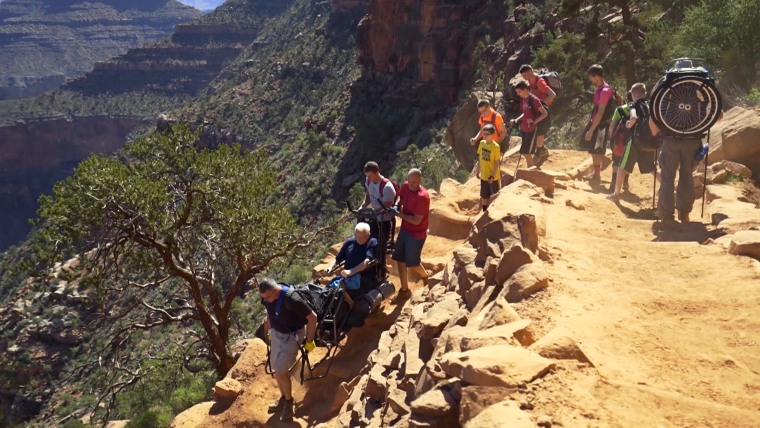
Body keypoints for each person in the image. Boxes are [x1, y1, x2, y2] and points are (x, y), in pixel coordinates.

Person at [259, 278, 318, 421]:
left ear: (276, 290)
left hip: (293, 336)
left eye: (267, 297)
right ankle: (283, 397)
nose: (265, 300)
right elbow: (268, 309)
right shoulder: (268, 298)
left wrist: (309, 342)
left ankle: (289, 402)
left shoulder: (292, 299)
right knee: (275, 368)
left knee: (280, 371)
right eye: (263, 298)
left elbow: (312, 318)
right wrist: (269, 326)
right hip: (277, 334)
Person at [610, 83, 658, 200]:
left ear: (634, 94)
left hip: (636, 141)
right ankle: (670, 189)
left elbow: (633, 118)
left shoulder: (634, 105)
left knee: (622, 166)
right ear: (645, 93)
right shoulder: (650, 105)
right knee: (652, 169)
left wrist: (628, 124)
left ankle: (616, 193)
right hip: (650, 141)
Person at [649, 118, 701, 224]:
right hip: (692, 140)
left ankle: (666, 215)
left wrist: (656, 133)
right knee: (687, 176)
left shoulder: (665, 101)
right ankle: (684, 214)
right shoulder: (701, 100)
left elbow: (653, 119)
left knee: (667, 178)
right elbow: (719, 115)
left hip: (670, 140)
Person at [391, 168, 430, 296]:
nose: (411, 184)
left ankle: (425, 275)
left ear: (420, 181)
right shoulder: (406, 186)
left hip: (417, 233)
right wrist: (397, 205)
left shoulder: (423, 197)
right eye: (410, 181)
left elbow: (416, 221)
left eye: (414, 182)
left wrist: (398, 214)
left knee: (412, 263)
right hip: (405, 229)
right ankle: (404, 289)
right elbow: (401, 199)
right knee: (400, 259)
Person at [582, 64, 613, 184]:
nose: (589, 79)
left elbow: (600, 112)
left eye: (590, 76)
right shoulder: (600, 88)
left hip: (601, 125)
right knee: (594, 149)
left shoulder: (604, 91)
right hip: (598, 123)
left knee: (597, 150)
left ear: (596, 76)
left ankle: (597, 176)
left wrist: (591, 129)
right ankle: (597, 173)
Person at [519, 64, 556, 165]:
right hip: (538, 109)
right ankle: (542, 149)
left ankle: (539, 153)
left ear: (530, 72)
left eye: (525, 75)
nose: (524, 78)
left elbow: (552, 94)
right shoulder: (531, 81)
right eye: (523, 76)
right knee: (538, 130)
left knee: (540, 131)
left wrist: (542, 104)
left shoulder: (539, 82)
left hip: (543, 109)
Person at [330, 222, 380, 296]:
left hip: (363, 278)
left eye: (361, 237)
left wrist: (351, 272)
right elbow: (338, 258)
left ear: (368, 235)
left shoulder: (372, 242)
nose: (359, 239)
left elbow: (366, 262)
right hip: (347, 277)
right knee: (331, 287)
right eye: (357, 236)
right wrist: (330, 267)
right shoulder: (350, 242)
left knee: (340, 293)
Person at [511, 80, 549, 169]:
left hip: (532, 129)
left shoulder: (534, 100)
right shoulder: (524, 99)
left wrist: (534, 121)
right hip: (524, 128)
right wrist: (516, 120)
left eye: (519, 92)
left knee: (526, 152)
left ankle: (531, 170)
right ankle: (531, 168)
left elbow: (544, 113)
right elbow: (525, 112)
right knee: (524, 151)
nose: (518, 94)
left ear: (524, 89)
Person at [362, 161, 396, 262]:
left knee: (380, 247)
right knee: (369, 243)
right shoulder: (368, 181)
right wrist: (363, 206)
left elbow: (387, 205)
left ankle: (381, 270)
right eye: (367, 176)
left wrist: (373, 211)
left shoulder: (387, 187)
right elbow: (369, 194)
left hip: (384, 220)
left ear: (377, 172)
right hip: (373, 218)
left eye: (371, 176)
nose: (369, 178)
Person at [469, 124, 501, 211]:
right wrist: (478, 170)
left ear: (492, 135)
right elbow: (480, 158)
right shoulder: (482, 143)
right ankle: (484, 213)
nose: (485, 136)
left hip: (493, 178)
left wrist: (492, 176)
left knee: (494, 196)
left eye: (487, 134)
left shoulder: (496, 147)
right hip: (484, 176)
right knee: (484, 196)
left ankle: (494, 213)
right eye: (484, 133)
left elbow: (496, 163)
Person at [607, 91, 633, 193]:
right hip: (632, 140)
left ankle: (613, 181)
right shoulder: (638, 109)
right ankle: (625, 182)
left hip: (619, 139)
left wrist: (611, 138)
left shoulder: (620, 109)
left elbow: (613, 125)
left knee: (616, 160)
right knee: (628, 161)